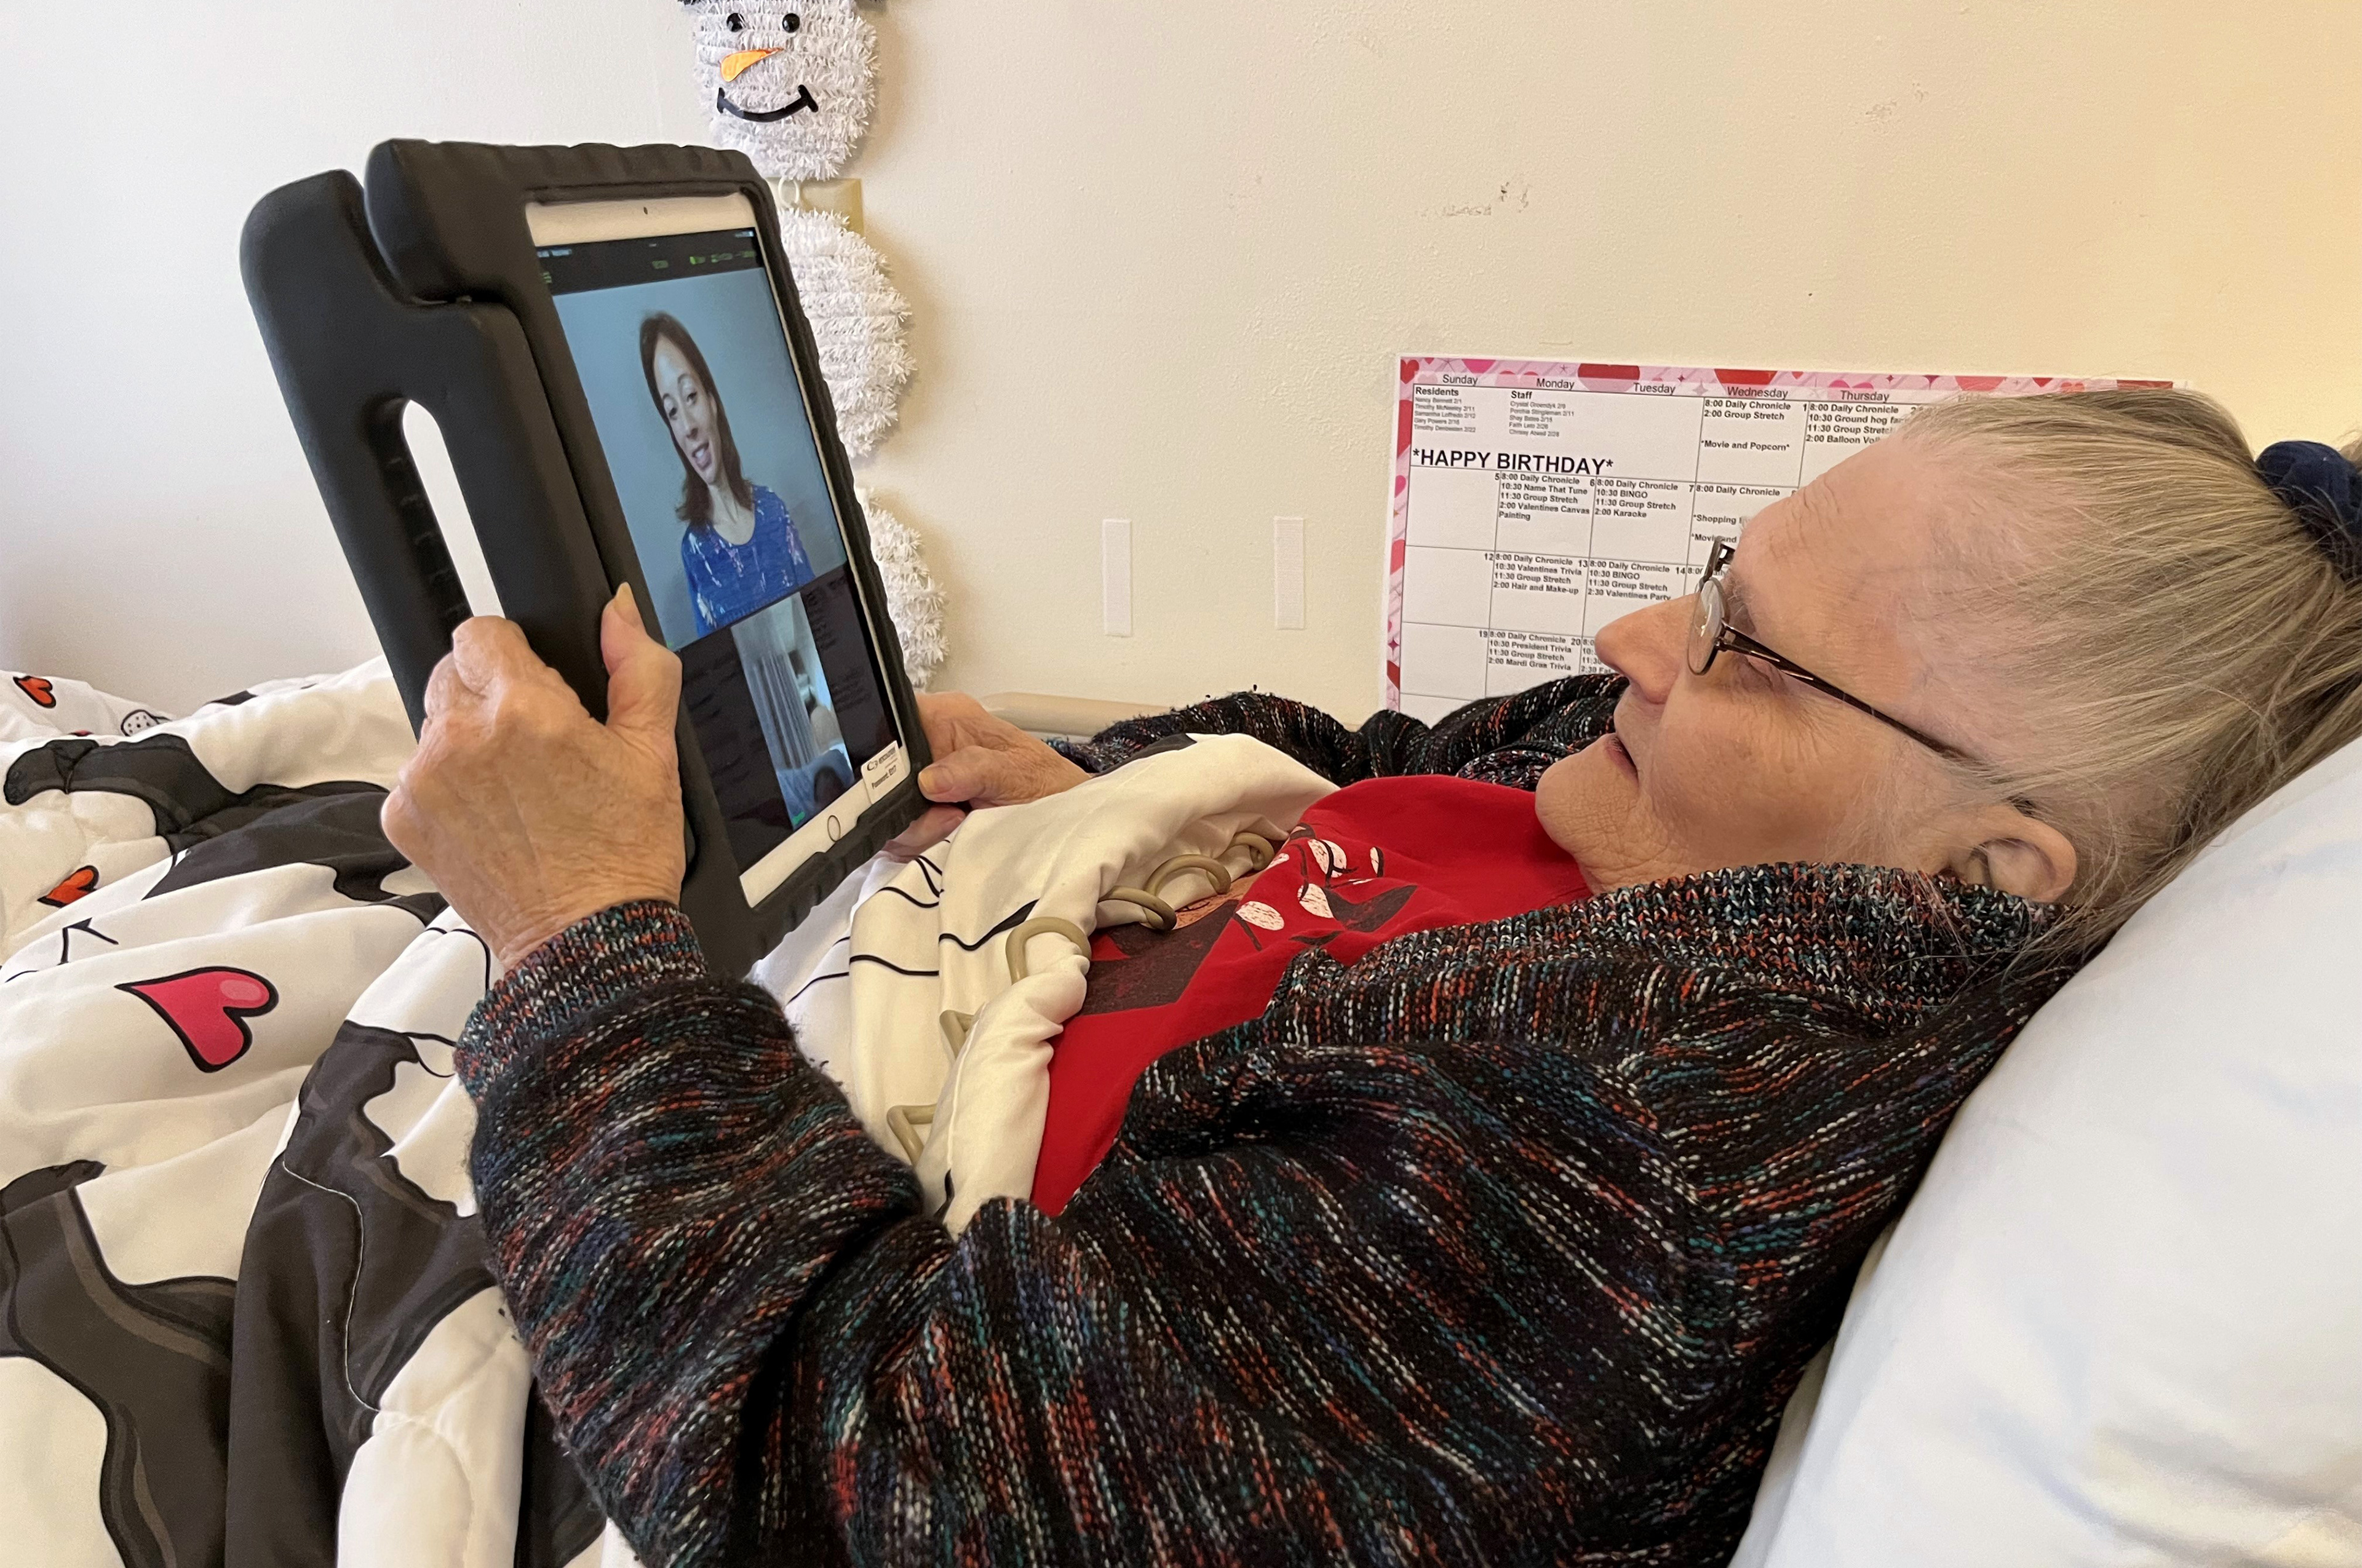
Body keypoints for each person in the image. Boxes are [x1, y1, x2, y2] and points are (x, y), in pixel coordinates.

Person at [383, 390, 2362, 1566]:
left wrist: (576, 937)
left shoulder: (1625, 1162)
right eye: (1706, 568)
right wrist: (1107, 786)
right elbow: (1382, 758)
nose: (1632, 634)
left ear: (1976, 872)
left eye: (1743, 646)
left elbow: (846, 1479)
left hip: (669, 1280)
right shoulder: (1675, 824)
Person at [639, 311, 814, 637]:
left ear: (712, 400)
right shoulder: (695, 551)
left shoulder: (774, 512)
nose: (688, 426)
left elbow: (821, 620)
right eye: (673, 412)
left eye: (690, 396)